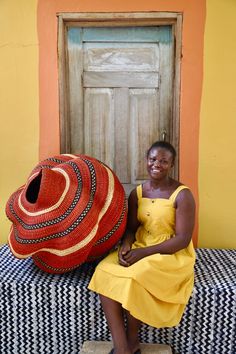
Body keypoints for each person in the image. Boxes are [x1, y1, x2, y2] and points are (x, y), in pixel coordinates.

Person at [88, 141, 196, 354]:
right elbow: (130, 228)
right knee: (103, 271)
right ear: (146, 161)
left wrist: (142, 254)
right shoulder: (137, 193)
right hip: (141, 244)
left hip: (169, 252)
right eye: (153, 159)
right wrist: (127, 246)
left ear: (172, 164)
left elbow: (183, 239)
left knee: (136, 276)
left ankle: (132, 340)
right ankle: (122, 348)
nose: (157, 164)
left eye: (164, 161)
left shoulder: (183, 195)